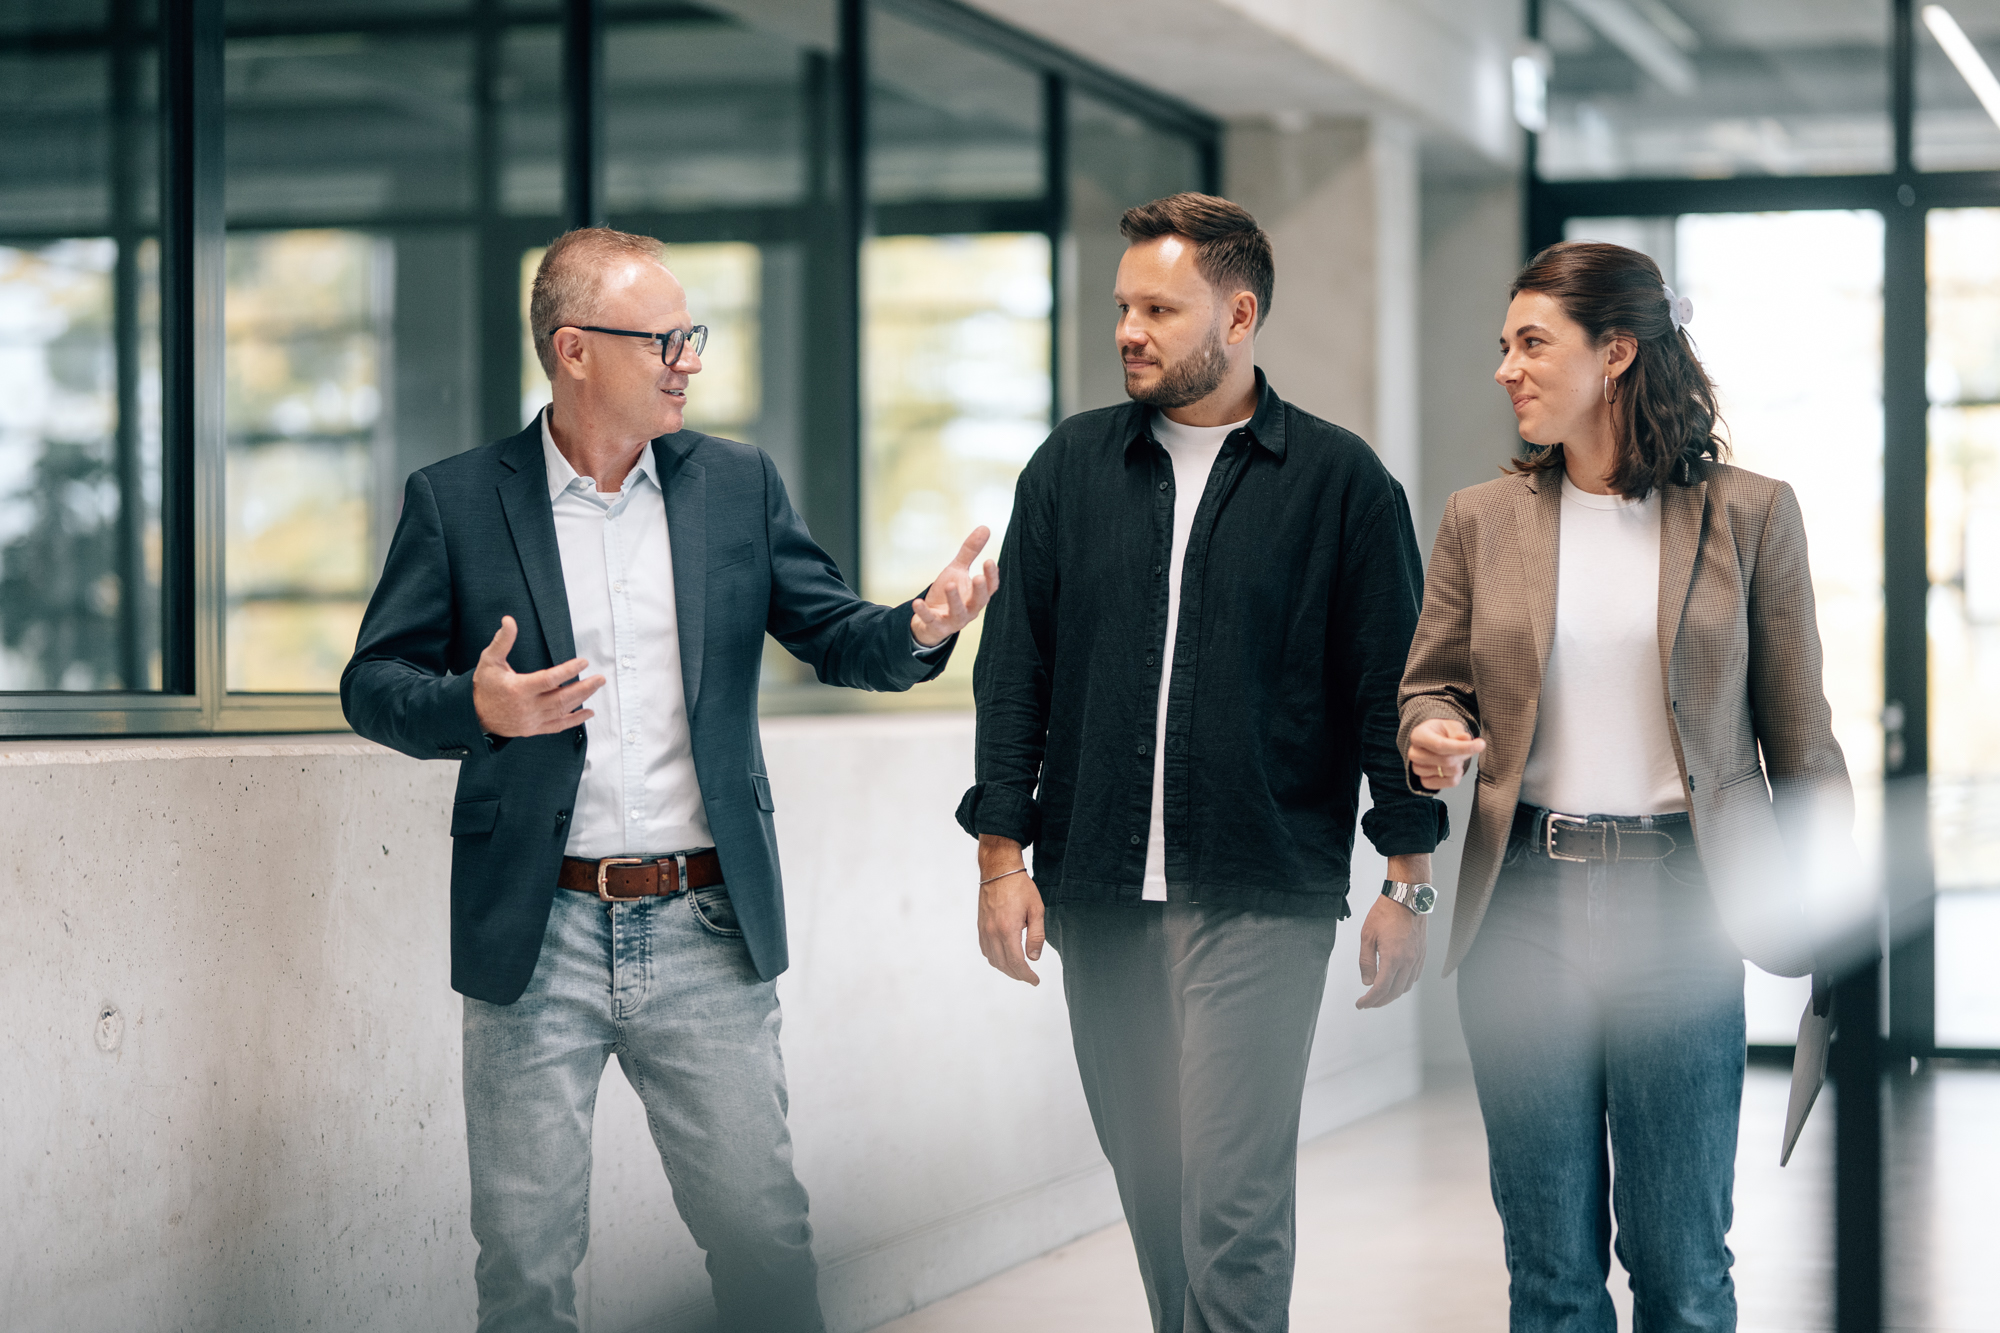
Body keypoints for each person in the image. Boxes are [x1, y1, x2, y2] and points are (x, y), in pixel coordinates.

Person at [341, 227, 995, 1333]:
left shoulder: (732, 485)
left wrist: (919, 627)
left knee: (762, 1240)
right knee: (526, 1263)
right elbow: (371, 682)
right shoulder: (456, 500)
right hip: (533, 928)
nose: (689, 358)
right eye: (665, 339)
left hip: (703, 922)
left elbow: (833, 634)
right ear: (574, 349)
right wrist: (472, 706)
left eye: (691, 336)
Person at [962, 192, 1448, 1333]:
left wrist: (1405, 880)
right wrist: (1000, 857)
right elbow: (1013, 675)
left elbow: (1389, 693)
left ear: (1236, 315)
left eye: (1158, 307)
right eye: (1122, 304)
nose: (1127, 327)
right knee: (1157, 1194)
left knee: (1231, 1201)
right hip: (1098, 895)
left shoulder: (1337, 482)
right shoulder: (1067, 469)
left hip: (1258, 894)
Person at [1400, 240, 1852, 1331]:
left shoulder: (1749, 515)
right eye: (1502, 345)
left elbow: (1800, 740)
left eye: (1528, 343)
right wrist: (1430, 733)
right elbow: (1428, 687)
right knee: (1548, 1268)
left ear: (1614, 352)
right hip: (1522, 908)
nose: (1505, 368)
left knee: (1680, 1261)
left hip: (1681, 908)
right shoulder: (1480, 519)